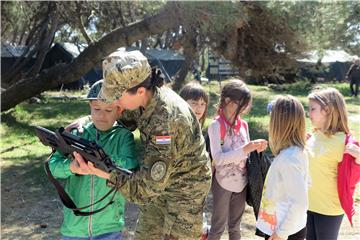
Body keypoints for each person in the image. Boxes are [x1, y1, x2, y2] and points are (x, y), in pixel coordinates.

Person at [72, 50, 212, 240]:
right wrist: (87, 120)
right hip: (159, 180)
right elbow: (119, 117)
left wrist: (100, 171)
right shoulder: (141, 96)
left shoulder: (165, 121)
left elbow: (144, 191)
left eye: (117, 96)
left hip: (186, 189)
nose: (114, 101)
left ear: (139, 91)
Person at [49, 80, 138, 240]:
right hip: (74, 228)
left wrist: (101, 161)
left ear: (119, 110)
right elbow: (52, 166)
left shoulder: (124, 136)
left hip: (109, 227)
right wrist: (72, 167)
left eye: (109, 110)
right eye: (96, 109)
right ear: (90, 107)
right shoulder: (76, 133)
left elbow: (130, 166)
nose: (101, 115)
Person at [207, 79, 268, 240]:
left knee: (235, 227)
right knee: (217, 227)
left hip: (242, 183)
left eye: (246, 104)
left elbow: (246, 155)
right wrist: (245, 149)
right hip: (222, 183)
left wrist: (256, 149)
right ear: (227, 100)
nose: (245, 108)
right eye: (241, 104)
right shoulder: (215, 126)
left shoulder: (244, 125)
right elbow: (218, 159)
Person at [306, 87, 360, 240]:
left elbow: (352, 178)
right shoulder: (314, 135)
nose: (308, 113)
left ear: (327, 110)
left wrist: (359, 159)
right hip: (308, 204)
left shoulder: (344, 142)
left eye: (312, 109)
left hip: (329, 208)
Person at [256, 95, 309, 240]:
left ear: (279, 124)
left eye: (272, 119)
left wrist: (281, 233)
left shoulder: (289, 159)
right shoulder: (295, 153)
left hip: (284, 231)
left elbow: (300, 202)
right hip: (285, 227)